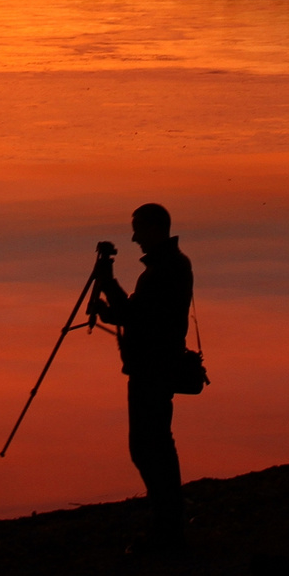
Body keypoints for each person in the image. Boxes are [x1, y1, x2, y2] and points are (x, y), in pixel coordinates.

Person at [91, 203, 194, 550]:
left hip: (153, 369)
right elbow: (137, 315)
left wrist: (107, 283)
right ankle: (169, 517)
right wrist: (110, 308)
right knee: (155, 444)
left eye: (138, 230)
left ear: (154, 229)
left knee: (150, 446)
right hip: (155, 365)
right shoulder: (171, 266)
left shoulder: (164, 270)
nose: (134, 237)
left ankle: (168, 525)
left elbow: (136, 315)